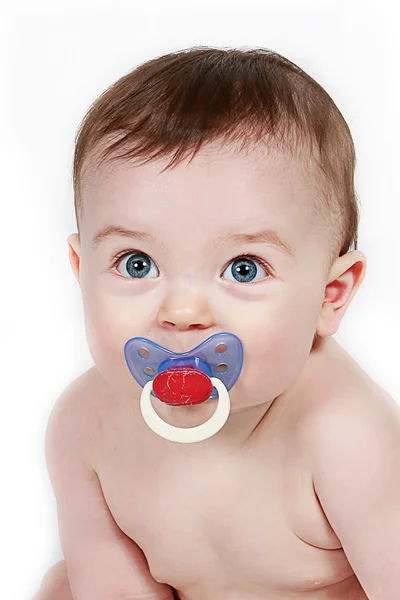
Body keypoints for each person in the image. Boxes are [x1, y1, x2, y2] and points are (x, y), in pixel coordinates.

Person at [33, 47, 400, 600]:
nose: (182, 313)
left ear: (330, 294)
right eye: (137, 264)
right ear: (82, 272)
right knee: (62, 586)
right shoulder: (83, 426)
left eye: (244, 268)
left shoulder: (346, 435)